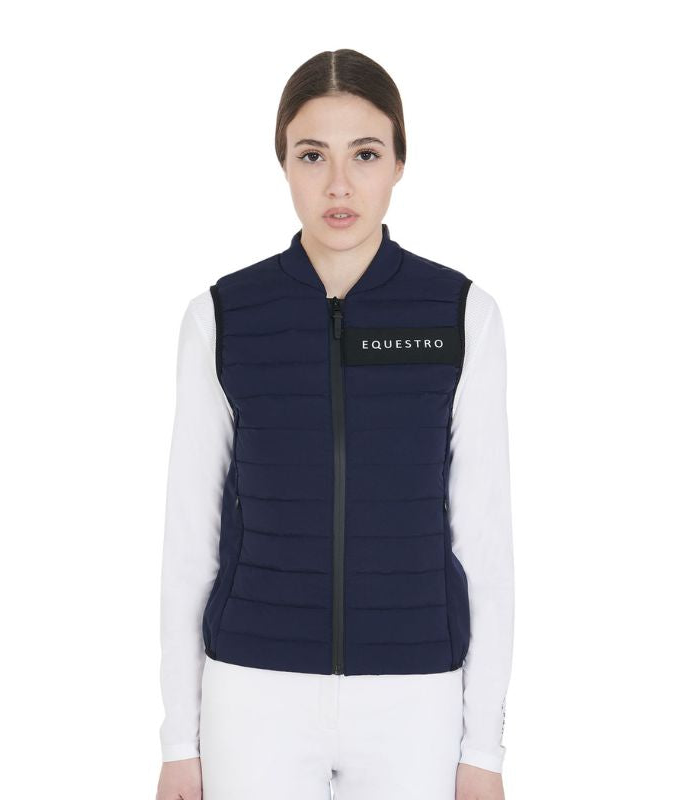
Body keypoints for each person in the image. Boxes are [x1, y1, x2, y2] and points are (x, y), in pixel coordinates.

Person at [156, 49, 514, 800]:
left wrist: (484, 748)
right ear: (283, 163)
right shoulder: (222, 318)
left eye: (366, 154)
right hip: (252, 692)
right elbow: (190, 541)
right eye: (313, 155)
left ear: (400, 163)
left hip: (415, 697)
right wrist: (178, 743)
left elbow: (483, 541)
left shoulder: (461, 316)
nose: (339, 185)